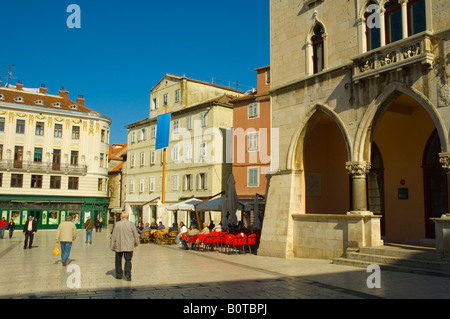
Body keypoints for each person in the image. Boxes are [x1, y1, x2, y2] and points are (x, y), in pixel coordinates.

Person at [110, 210, 139, 281]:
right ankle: (128, 274)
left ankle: (119, 275)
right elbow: (135, 235)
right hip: (129, 245)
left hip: (119, 245)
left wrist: (112, 245)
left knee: (118, 260)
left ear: (122, 217)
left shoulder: (117, 224)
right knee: (128, 260)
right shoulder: (131, 224)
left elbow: (113, 235)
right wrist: (136, 243)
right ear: (128, 216)